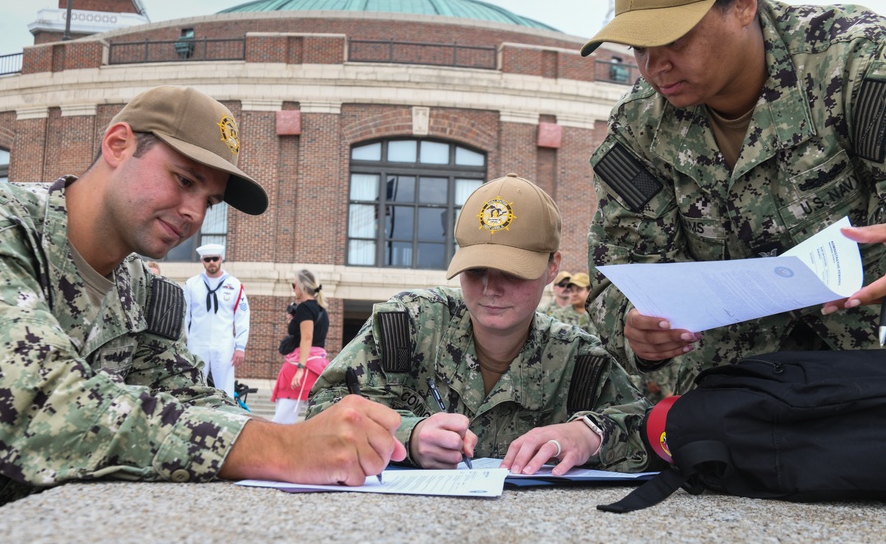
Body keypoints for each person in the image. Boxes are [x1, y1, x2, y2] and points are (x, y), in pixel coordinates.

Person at [0, 85, 405, 543]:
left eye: (210, 200)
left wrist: (361, 444)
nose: (195, 214)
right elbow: (41, 411)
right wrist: (278, 446)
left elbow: (187, 395)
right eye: (183, 180)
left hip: (27, 498)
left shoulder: (139, 286)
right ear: (119, 145)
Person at [581, 0, 886, 393]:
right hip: (743, 399)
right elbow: (616, 274)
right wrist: (637, 329)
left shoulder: (857, 63)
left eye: (674, 39)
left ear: (743, 5)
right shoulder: (639, 125)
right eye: (638, 47)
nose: (653, 66)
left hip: (871, 379)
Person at [307, 174, 654, 475]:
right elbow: (325, 404)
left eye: (512, 272)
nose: (491, 288)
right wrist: (407, 436)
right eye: (476, 270)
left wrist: (589, 436)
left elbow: (649, 430)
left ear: (552, 267)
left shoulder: (579, 361)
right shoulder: (408, 327)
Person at [183, 243, 249, 395]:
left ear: (221, 259)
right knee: (194, 384)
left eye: (214, 259)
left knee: (225, 388)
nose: (211, 262)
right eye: (207, 259)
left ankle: (227, 416)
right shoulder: (192, 284)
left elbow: (242, 317)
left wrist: (240, 346)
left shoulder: (234, 284)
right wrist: (184, 342)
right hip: (197, 342)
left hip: (224, 343)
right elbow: (184, 316)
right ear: (202, 261)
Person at [270, 270, 330, 424]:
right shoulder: (320, 309)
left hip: (301, 366)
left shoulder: (305, 308)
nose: (293, 288)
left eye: (294, 284)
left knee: (282, 419)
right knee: (317, 419)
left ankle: (275, 445)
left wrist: (300, 368)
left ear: (301, 287)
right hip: (318, 366)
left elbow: (307, 338)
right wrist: (293, 322)